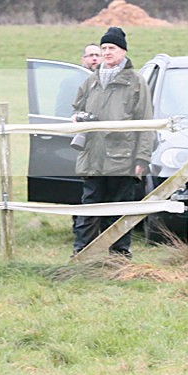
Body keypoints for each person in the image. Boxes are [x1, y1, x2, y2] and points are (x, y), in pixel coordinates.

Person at [71, 27, 154, 257]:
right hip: (92, 156)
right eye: (104, 48)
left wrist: (142, 158)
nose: (107, 52)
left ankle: (118, 257)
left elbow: (146, 122)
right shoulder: (91, 82)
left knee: (119, 209)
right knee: (89, 208)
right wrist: (78, 117)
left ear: (123, 52)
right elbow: (76, 108)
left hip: (122, 158)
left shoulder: (137, 82)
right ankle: (82, 254)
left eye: (112, 48)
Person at [55, 43, 102, 118]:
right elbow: (62, 111)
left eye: (97, 55)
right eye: (90, 55)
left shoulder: (107, 80)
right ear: (83, 59)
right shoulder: (71, 82)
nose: (94, 58)